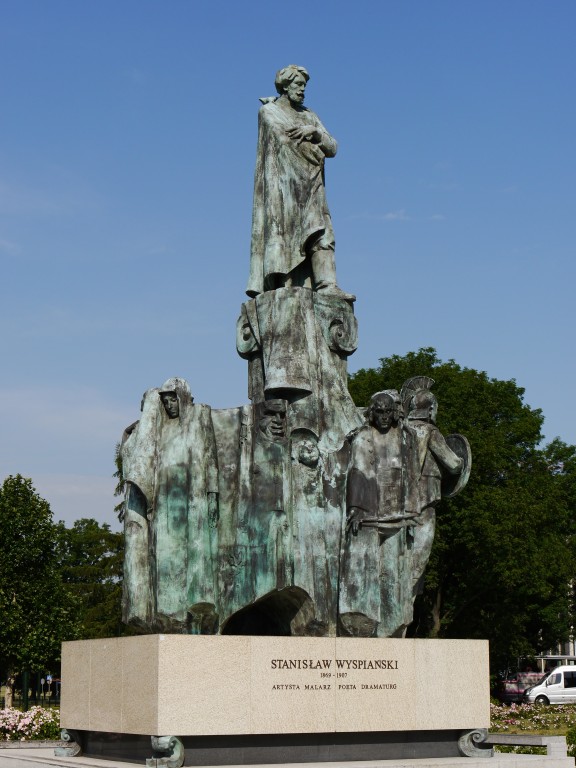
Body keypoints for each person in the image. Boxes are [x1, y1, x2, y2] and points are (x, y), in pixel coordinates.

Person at [247, 65, 354, 301]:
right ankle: (284, 285)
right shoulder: (270, 112)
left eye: (305, 85)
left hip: (313, 185)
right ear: (285, 86)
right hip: (284, 189)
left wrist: (315, 133)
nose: (302, 89)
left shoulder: (309, 116)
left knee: (322, 232)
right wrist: (315, 150)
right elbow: (285, 143)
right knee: (286, 236)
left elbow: (332, 148)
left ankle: (327, 285)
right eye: (298, 84)